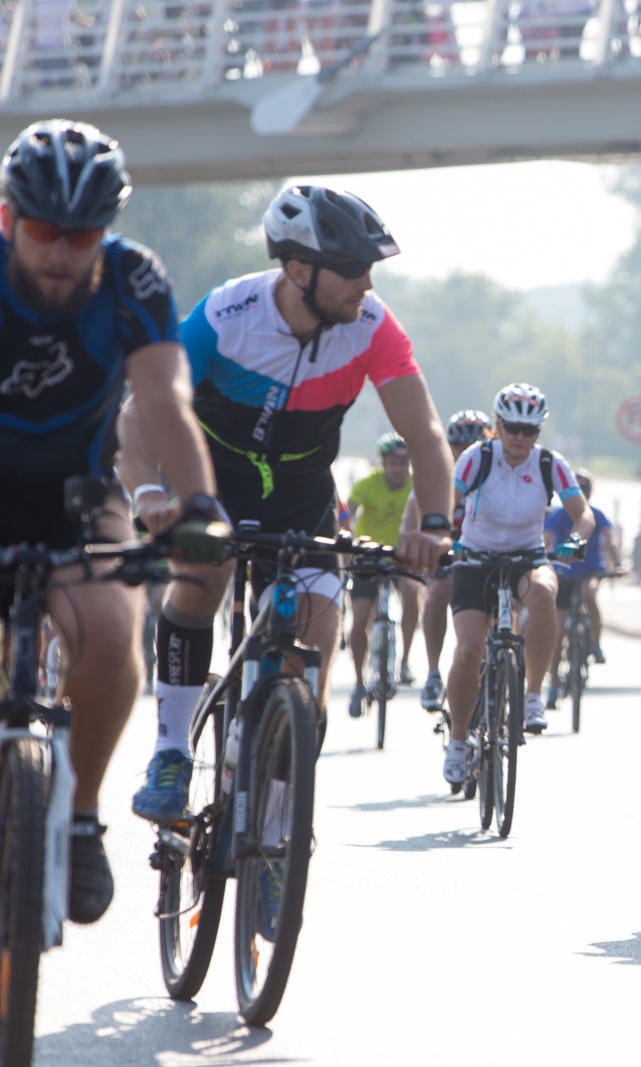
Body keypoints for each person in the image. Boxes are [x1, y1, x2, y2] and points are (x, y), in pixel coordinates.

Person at [125, 183, 454, 826]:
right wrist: (150, 493)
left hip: (305, 500)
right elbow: (139, 416)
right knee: (202, 578)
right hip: (216, 485)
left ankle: (277, 826)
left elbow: (426, 435)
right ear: (299, 269)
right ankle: (169, 752)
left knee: (317, 646)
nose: (366, 284)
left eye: (370, 270)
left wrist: (436, 523)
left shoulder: (371, 325)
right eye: (353, 270)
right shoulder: (227, 315)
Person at [0, 120, 223, 923]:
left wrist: (198, 508)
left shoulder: (134, 280)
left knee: (108, 626)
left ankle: (83, 815)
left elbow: (165, 401)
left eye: (82, 234)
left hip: (77, 488)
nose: (61, 252)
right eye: (43, 231)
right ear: (7, 219)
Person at [443, 384, 592, 782]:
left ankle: (531, 694)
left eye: (529, 431)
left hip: (526, 557)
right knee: (470, 648)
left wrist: (576, 539)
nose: (520, 438)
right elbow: (446, 499)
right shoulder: (478, 458)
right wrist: (442, 536)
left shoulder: (549, 463)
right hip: (475, 558)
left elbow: (583, 513)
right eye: (512, 428)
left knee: (544, 591)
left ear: (538, 433)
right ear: (498, 425)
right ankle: (458, 740)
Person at [408, 408, 490, 712]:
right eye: (459, 447)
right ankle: (432, 673)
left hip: (486, 556)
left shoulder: (497, 472)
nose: (466, 454)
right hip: (449, 556)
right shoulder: (436, 476)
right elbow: (412, 520)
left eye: (475, 447)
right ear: (449, 448)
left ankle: (504, 668)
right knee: (437, 594)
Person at [343, 431, 423, 715]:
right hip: (368, 555)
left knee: (413, 594)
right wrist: (347, 539)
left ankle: (404, 661)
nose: (398, 469)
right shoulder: (368, 483)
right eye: (392, 464)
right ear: (384, 464)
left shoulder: (417, 486)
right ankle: (358, 681)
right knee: (360, 618)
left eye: (403, 464)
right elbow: (347, 514)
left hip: (402, 556)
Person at [544, 468, 624, 704]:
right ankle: (553, 684)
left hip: (590, 570)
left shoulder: (597, 515)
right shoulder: (558, 515)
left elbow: (610, 542)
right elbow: (547, 541)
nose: (584, 495)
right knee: (558, 633)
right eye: (579, 490)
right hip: (563, 573)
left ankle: (595, 642)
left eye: (587, 490)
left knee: (590, 593)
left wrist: (617, 564)